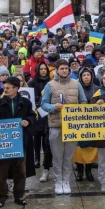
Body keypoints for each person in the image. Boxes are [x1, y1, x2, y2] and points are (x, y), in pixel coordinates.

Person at [41, 59, 87, 195]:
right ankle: (58, 181)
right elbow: (43, 104)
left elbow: (83, 101)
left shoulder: (76, 84)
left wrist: (80, 111)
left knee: (68, 157)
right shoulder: (50, 85)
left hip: (72, 126)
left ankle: (66, 181)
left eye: (66, 68)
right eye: (62, 68)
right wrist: (53, 107)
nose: (64, 71)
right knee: (57, 157)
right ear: (56, 70)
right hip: (56, 125)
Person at [0, 76, 35, 208]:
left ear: (16, 89)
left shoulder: (25, 102)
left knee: (20, 171)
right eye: (4, 88)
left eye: (8, 88)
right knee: (1, 172)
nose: (5, 90)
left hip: (20, 142)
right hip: (4, 143)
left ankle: (19, 195)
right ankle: (1, 196)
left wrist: (28, 121)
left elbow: (32, 115)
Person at [27, 63, 52, 181]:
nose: (43, 71)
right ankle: (36, 157)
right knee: (36, 136)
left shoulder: (50, 82)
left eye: (44, 69)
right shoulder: (32, 82)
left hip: (46, 111)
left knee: (45, 136)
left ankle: (45, 161)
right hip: (36, 111)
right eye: (41, 69)